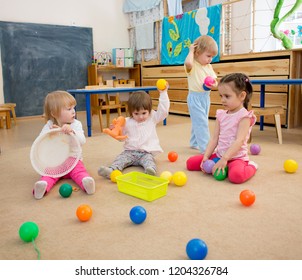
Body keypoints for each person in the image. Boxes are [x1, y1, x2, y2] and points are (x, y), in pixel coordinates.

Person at [186, 73, 258, 184]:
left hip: (236, 158)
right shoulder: (221, 114)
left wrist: (225, 159)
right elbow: (215, 138)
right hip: (219, 155)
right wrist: (206, 156)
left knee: (236, 176)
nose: (223, 100)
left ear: (242, 96)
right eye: (221, 96)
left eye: (227, 96)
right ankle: (223, 165)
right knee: (190, 163)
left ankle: (252, 166)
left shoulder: (245, 116)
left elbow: (239, 141)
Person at [33, 91, 95, 199]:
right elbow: (39, 142)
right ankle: (42, 187)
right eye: (69, 109)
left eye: (73, 108)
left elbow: (82, 141)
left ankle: (87, 184)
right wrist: (51, 134)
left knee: (79, 172)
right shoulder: (49, 125)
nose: (73, 111)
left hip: (73, 160)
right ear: (54, 113)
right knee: (48, 174)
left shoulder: (76, 124)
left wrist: (72, 133)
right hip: (55, 162)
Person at [98, 87, 170, 178]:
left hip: (146, 152)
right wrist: (115, 131)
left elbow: (163, 111)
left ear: (149, 110)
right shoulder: (126, 122)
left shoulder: (152, 117)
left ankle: (151, 171)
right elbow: (121, 138)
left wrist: (163, 94)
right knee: (120, 159)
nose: (140, 117)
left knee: (149, 162)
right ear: (131, 112)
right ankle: (112, 170)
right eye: (136, 114)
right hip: (129, 152)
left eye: (144, 113)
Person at [184, 35, 218, 153]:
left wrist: (214, 85)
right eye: (208, 56)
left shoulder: (208, 66)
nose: (210, 59)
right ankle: (206, 148)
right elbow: (188, 63)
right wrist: (191, 51)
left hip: (205, 97)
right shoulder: (192, 64)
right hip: (195, 97)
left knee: (199, 120)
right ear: (198, 53)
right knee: (201, 122)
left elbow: (214, 80)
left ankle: (194, 142)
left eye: (212, 57)